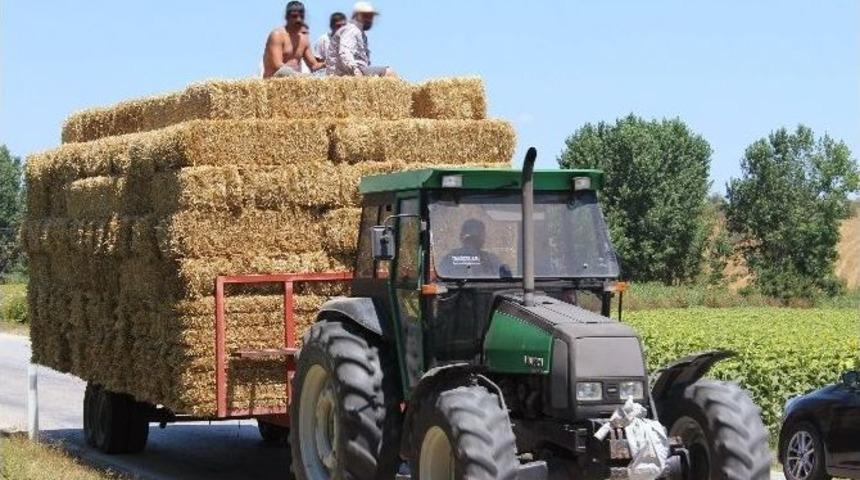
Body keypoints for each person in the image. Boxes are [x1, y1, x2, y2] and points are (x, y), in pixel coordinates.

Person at [327, 2, 396, 77]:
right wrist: (355, 70)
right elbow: (345, 51)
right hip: (344, 73)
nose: (369, 19)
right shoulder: (352, 30)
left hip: (351, 70)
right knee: (388, 72)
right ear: (356, 16)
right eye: (365, 16)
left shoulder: (360, 32)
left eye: (370, 17)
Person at [262, 1, 324, 78]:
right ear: (286, 17)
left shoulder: (304, 39)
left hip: (295, 83)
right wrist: (301, 77)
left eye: (301, 16)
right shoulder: (277, 35)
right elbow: (277, 65)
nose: (298, 20)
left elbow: (314, 66)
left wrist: (327, 64)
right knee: (284, 71)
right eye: (294, 16)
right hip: (275, 80)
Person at [444, 219, 511, 278]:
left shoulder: (449, 259)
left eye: (474, 239)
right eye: (471, 239)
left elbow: (505, 278)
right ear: (482, 238)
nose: (471, 247)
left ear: (461, 237)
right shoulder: (492, 259)